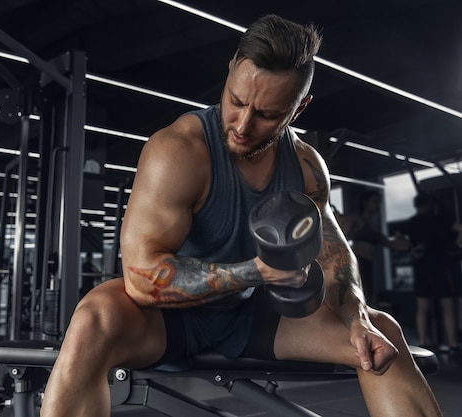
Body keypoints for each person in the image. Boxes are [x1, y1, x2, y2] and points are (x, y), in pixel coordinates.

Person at [41, 15, 442, 417]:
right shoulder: (179, 151)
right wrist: (255, 272)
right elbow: (143, 280)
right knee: (94, 316)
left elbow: (334, 256)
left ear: (299, 108)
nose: (244, 125)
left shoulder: (305, 166)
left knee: (379, 333)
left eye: (267, 114)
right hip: (168, 320)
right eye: (236, 101)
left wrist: (356, 317)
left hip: (257, 319)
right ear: (232, 68)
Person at [395, 193, 460, 353]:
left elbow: (397, 238)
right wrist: (455, 245)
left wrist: (411, 248)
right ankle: (452, 344)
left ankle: (423, 341)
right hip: (438, 265)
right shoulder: (439, 219)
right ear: (428, 205)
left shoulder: (411, 222)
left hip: (421, 266)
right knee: (447, 305)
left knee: (422, 305)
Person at [340, 190, 409, 305]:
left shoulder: (375, 227)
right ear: (365, 203)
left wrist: (411, 246)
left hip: (368, 265)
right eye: (375, 202)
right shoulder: (355, 219)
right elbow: (340, 238)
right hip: (356, 263)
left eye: (379, 202)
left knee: (368, 297)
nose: (378, 205)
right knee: (358, 297)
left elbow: (389, 243)